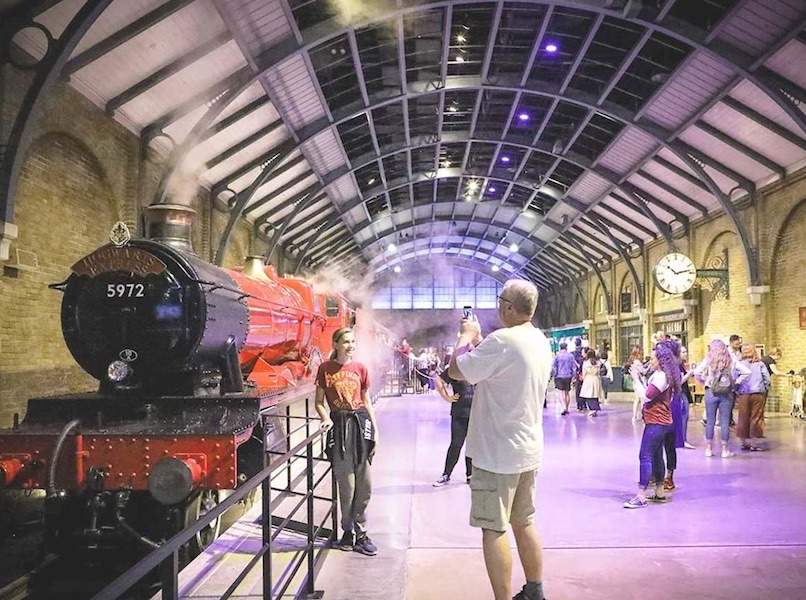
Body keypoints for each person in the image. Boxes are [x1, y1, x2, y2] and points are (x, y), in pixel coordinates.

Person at [448, 279, 552, 600]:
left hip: (496, 454)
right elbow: (501, 367)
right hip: (527, 449)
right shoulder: (539, 340)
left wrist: (465, 339)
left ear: (508, 307)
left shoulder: (502, 340)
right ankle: (535, 591)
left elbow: (455, 371)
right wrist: (479, 342)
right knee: (525, 522)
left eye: (499, 301)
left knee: (494, 528)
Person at [314, 327, 379, 556]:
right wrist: (326, 419)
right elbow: (319, 401)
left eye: (353, 341)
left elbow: (366, 401)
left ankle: (361, 532)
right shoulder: (325, 369)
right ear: (336, 344)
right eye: (346, 341)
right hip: (340, 428)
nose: (351, 345)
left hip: (361, 425)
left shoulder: (361, 368)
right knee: (347, 486)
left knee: (365, 484)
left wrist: (376, 431)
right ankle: (348, 531)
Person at [624, 341, 680, 509]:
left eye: (654, 358)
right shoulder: (662, 375)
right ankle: (659, 492)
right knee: (656, 456)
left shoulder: (662, 377)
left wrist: (635, 379)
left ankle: (641, 495)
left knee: (645, 455)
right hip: (659, 421)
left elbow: (647, 396)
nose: (651, 360)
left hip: (656, 422)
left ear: (661, 360)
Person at [692, 339, 750, 458]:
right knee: (724, 421)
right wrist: (736, 382)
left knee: (710, 421)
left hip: (711, 392)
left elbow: (697, 372)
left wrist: (705, 382)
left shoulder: (709, 359)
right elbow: (746, 372)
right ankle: (725, 450)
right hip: (727, 393)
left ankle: (708, 449)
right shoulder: (731, 360)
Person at [433, 356, 474, 487]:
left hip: (476, 414)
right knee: (456, 444)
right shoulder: (455, 369)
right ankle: (446, 474)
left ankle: (470, 475)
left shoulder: (479, 368)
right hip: (459, 413)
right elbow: (438, 380)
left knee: (473, 447)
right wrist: (447, 397)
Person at [735, 343, 771, 451]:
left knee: (743, 417)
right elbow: (767, 379)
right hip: (757, 394)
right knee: (756, 417)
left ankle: (744, 442)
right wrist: (764, 389)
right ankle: (755, 443)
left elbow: (734, 378)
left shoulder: (739, 364)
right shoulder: (760, 364)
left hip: (743, 394)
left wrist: (737, 391)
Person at [550, 342, 577, 415]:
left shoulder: (557, 356)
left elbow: (553, 366)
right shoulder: (570, 356)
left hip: (559, 376)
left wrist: (554, 375)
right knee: (567, 392)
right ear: (566, 347)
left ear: (560, 347)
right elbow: (574, 367)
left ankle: (563, 407)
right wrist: (573, 376)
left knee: (560, 392)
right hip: (568, 376)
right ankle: (567, 408)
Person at [579, 349, 604, 417]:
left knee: (589, 396)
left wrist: (582, 378)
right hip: (596, 379)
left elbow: (584, 373)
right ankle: (595, 409)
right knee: (595, 395)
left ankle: (592, 409)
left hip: (588, 379)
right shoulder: (598, 362)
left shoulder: (586, 363)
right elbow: (599, 372)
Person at [679, 346, 695, 449]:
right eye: (683, 352)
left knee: (684, 416)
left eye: (686, 351)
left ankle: (681, 439)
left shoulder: (682, 365)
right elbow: (680, 381)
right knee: (684, 415)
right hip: (681, 393)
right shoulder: (677, 366)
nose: (685, 353)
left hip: (684, 391)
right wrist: (689, 373)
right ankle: (682, 440)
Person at [626, 345, 646, 421]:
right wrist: (650, 366)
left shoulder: (632, 362)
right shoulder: (637, 362)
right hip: (640, 383)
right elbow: (643, 371)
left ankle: (634, 416)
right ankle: (643, 415)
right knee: (643, 399)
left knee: (637, 399)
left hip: (636, 382)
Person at [572, 338, 586, 411]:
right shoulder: (584, 351)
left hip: (578, 374)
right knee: (584, 389)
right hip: (584, 373)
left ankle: (579, 405)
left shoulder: (573, 353)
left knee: (578, 390)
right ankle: (584, 404)